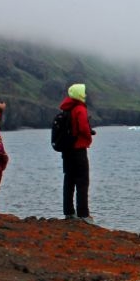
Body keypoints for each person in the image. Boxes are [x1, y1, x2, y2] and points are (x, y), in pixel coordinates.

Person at [58, 83, 94, 221]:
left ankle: (68, 212)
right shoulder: (79, 108)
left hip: (67, 149)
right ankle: (83, 214)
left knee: (69, 180)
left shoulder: (66, 108)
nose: (85, 95)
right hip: (78, 149)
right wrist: (88, 139)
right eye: (83, 92)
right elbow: (83, 128)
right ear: (80, 94)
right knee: (82, 181)